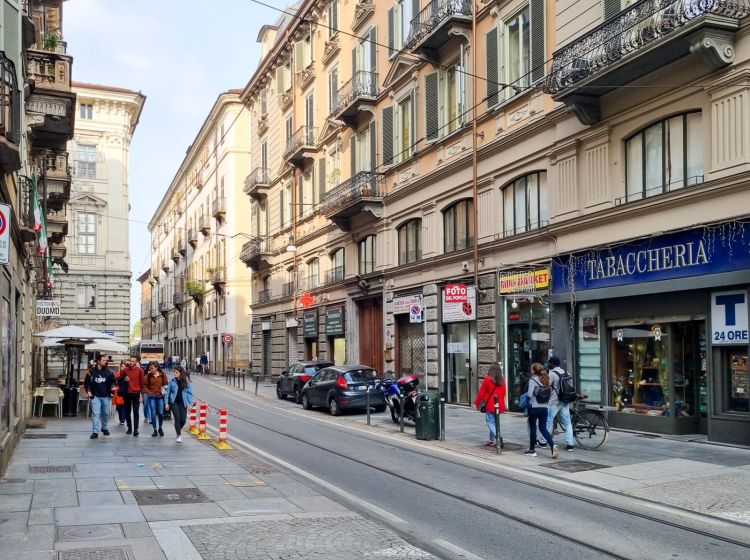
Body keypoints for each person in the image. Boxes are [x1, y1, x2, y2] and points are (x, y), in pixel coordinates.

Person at [538, 356, 575, 452]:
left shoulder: (552, 374)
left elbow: (546, 386)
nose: (548, 364)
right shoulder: (566, 372)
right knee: (567, 422)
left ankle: (543, 441)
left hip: (554, 401)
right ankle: (570, 444)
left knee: (548, 421)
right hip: (565, 400)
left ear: (552, 364)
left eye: (549, 363)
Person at [525, 362, 557, 458]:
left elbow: (529, 395)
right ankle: (552, 445)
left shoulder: (533, 380)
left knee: (533, 428)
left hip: (534, 407)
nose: (531, 370)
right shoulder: (546, 378)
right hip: (544, 407)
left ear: (534, 370)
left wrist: (526, 401)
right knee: (543, 428)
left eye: (532, 369)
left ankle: (532, 450)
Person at [472, 362, 506, 446]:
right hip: (500, 405)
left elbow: (481, 392)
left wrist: (476, 403)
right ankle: (491, 440)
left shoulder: (487, 379)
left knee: (490, 422)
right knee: (495, 422)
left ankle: (498, 437)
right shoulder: (503, 380)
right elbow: (504, 393)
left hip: (491, 405)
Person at [83, 354, 116, 439]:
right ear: (98, 361)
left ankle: (104, 428)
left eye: (106, 360)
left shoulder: (109, 372)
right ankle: (95, 432)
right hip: (95, 396)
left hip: (106, 395)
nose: (105, 362)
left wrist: (113, 387)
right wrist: (89, 391)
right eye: (103, 360)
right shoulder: (91, 372)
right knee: (96, 414)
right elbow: (87, 383)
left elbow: (114, 382)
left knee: (105, 413)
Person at [165, 365, 194, 443]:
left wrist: (190, 404)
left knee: (183, 420)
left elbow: (190, 394)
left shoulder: (186, 382)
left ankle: (178, 429)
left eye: (176, 372)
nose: (174, 373)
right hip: (174, 402)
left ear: (181, 373)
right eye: (174, 372)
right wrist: (166, 403)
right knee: (177, 418)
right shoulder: (172, 381)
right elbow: (167, 393)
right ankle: (179, 435)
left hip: (183, 402)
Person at [118, 356, 145, 436]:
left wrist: (141, 394)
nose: (131, 362)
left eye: (133, 361)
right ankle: (129, 427)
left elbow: (142, 383)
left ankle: (136, 429)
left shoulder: (140, 370)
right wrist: (124, 379)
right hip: (127, 393)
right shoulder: (124, 370)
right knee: (127, 411)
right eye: (130, 361)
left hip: (136, 393)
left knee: (136, 411)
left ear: (136, 362)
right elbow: (118, 380)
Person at [144, 361, 169, 437]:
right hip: (152, 397)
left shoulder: (162, 375)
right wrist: (149, 393)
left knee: (161, 413)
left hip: (160, 397)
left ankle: (160, 428)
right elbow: (144, 386)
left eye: (152, 368)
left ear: (156, 368)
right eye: (150, 368)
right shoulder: (148, 376)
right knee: (153, 413)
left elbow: (166, 385)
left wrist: (163, 393)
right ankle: (155, 430)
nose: (150, 369)